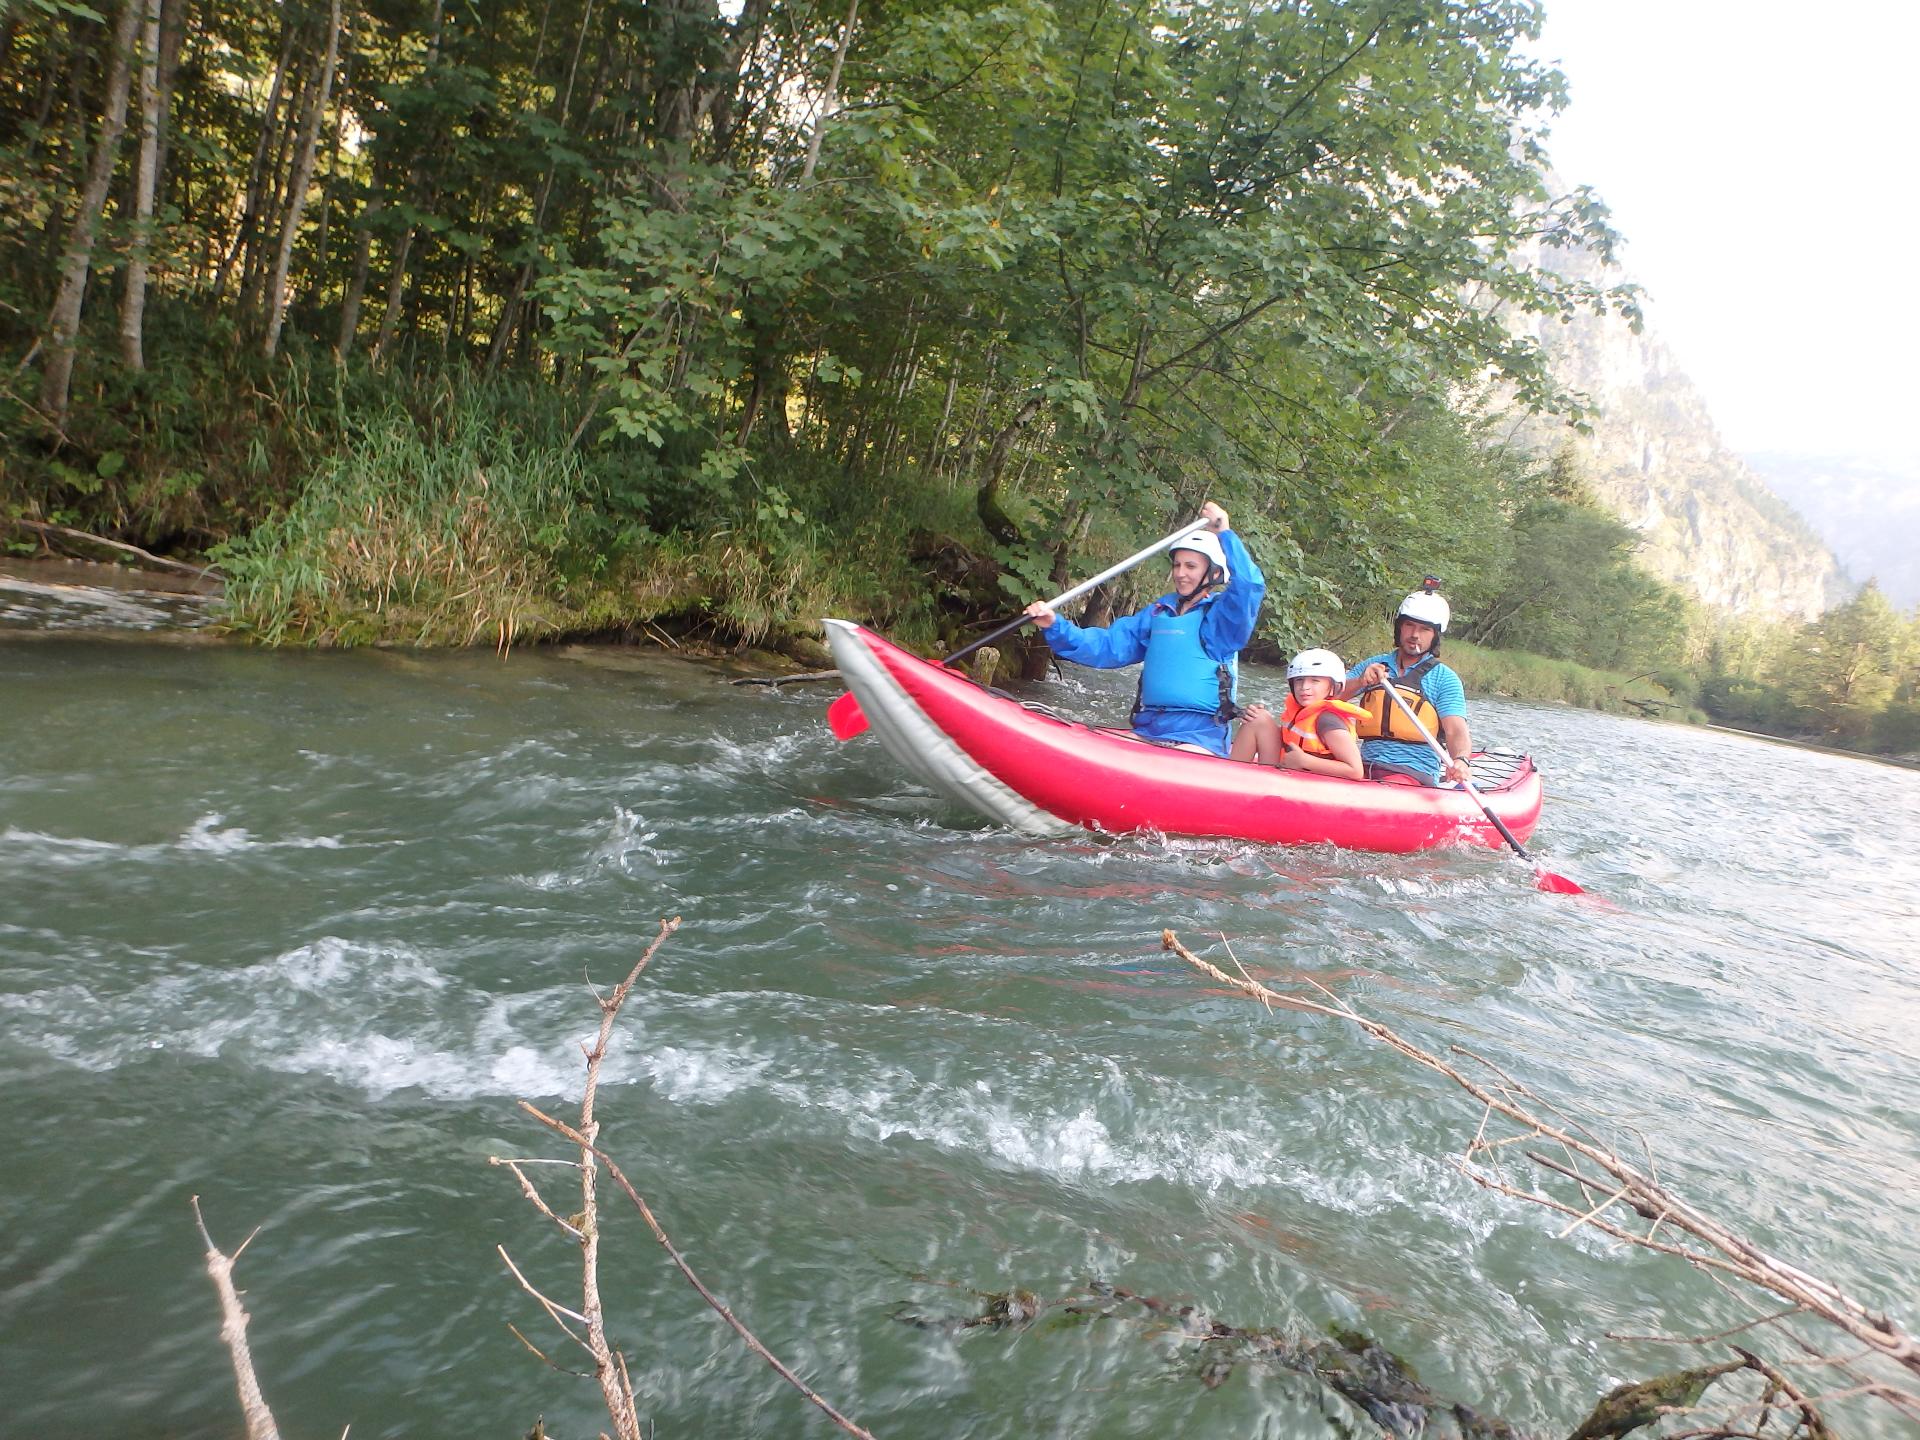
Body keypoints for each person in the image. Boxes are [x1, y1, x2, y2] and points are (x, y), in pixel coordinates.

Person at [1022, 501, 1265, 756]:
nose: (1180, 573)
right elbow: (1106, 647)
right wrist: (1054, 625)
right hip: (1148, 731)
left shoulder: (1221, 622)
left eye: (1190, 566)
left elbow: (1249, 586)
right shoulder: (1158, 613)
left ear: (1213, 573)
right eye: (1177, 565)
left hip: (1199, 738)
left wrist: (1224, 532)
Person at [1339, 580, 1472, 784]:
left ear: (1435, 636)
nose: (1415, 635)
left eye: (1424, 629)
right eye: (1409, 625)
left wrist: (1461, 760)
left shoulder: (1444, 678)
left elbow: (1456, 730)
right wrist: (1360, 681)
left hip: (1413, 771)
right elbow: (1330, 696)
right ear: (1399, 628)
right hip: (1363, 765)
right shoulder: (1374, 664)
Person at [1229, 648, 1368, 779]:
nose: (1304, 687)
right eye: (1299, 680)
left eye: (1315, 680)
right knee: (1258, 718)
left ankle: (1233, 785)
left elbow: (1356, 771)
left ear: (1333, 688)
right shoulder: (1300, 710)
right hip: (1288, 770)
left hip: (1310, 785)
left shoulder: (1328, 721)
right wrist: (1249, 714)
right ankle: (1230, 779)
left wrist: (1305, 761)